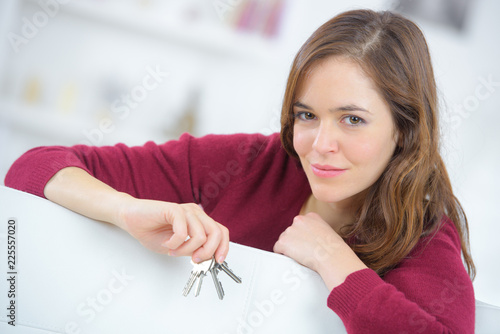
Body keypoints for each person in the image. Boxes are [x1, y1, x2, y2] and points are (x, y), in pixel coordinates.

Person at [5, 9, 475, 333]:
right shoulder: (253, 163)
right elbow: (32, 170)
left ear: (405, 129)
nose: (319, 145)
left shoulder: (423, 232)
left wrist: (333, 258)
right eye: (307, 115)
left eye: (352, 119)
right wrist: (127, 210)